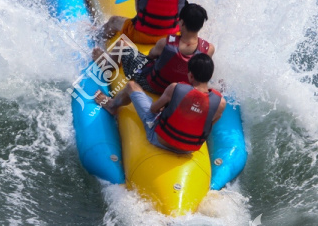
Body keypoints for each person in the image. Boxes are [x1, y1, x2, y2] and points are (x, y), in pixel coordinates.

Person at [95, 54, 226, 154]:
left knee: (131, 86)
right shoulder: (220, 103)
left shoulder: (175, 87)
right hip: (189, 150)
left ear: (190, 76)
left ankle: (112, 105)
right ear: (210, 76)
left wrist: (167, 107)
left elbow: (153, 109)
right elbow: (206, 123)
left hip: (160, 139)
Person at [93, 2, 215, 95]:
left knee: (122, 44)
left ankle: (107, 65)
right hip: (178, 92)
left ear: (181, 23)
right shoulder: (208, 49)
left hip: (152, 84)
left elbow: (151, 55)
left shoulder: (165, 43)